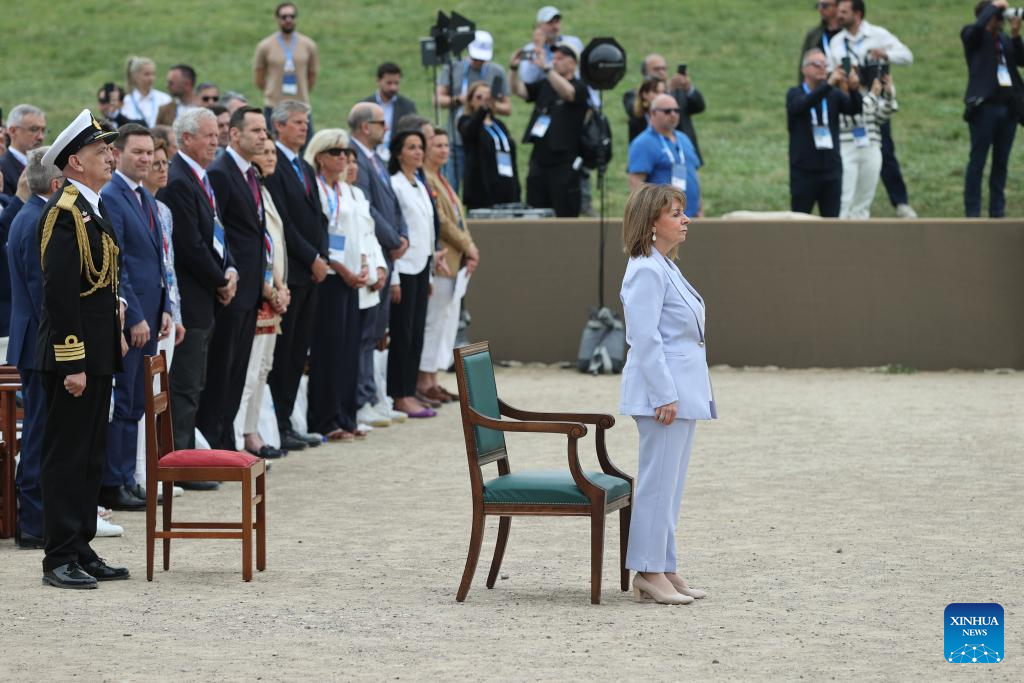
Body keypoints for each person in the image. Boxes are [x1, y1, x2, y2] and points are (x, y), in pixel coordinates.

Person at [37, 109, 129, 588]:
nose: (110, 156)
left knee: (91, 455)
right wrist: (72, 360)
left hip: (97, 353)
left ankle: (81, 546)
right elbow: (60, 293)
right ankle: (58, 557)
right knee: (67, 456)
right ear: (75, 161)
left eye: (109, 149)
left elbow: (101, 285)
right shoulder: (66, 213)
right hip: (72, 357)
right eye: (100, 150)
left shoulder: (92, 207)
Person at [619, 183, 716, 605]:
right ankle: (647, 570)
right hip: (662, 395)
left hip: (681, 391)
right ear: (651, 223)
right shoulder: (646, 269)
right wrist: (663, 395)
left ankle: (664, 564)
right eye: (675, 213)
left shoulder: (665, 266)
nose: (685, 219)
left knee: (670, 485)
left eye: (683, 212)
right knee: (657, 484)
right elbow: (644, 338)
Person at [157, 108, 237, 485]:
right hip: (191, 299)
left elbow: (218, 232)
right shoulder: (178, 180)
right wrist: (220, 279)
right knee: (185, 386)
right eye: (208, 135)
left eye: (217, 134)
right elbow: (189, 245)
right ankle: (183, 467)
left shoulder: (200, 177)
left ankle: (190, 458)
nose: (216, 141)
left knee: (195, 384)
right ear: (186, 138)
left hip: (207, 297)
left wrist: (230, 270)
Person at [100, 124, 171, 510]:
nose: (145, 159)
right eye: (137, 152)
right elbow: (119, 262)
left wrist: (165, 308)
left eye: (149, 153)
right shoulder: (113, 196)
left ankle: (127, 477)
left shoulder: (142, 196)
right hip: (132, 319)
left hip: (151, 314)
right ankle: (114, 481)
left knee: (137, 401)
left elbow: (156, 259)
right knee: (125, 400)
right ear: (117, 154)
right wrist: (136, 317)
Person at [200, 107, 269, 451]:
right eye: (256, 130)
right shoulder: (220, 172)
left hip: (251, 290)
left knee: (238, 371)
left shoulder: (250, 173)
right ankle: (214, 443)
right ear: (236, 134)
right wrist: (225, 276)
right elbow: (218, 231)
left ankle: (227, 440)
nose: (263, 137)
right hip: (230, 289)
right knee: (221, 371)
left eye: (265, 131)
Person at [264, 100, 329, 451]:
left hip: (312, 272)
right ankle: (276, 425)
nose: (305, 128)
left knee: (298, 352)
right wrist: (312, 258)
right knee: (283, 353)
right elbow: (283, 222)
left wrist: (323, 256)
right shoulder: (273, 163)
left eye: (306, 122)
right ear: (279, 126)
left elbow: (318, 217)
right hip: (291, 271)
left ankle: (287, 421)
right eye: (298, 122)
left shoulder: (304, 165)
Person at [6, 147, 61, 549]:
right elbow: (43, 290)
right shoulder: (38, 220)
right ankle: (33, 521)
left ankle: (38, 517)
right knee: (40, 431)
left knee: (43, 429)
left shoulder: (31, 214)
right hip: (38, 342)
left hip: (34, 340)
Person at [305, 129, 370, 441]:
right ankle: (326, 417)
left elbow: (359, 232)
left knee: (348, 348)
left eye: (345, 152)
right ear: (320, 157)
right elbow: (321, 235)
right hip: (330, 276)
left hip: (351, 276)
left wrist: (364, 264)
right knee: (328, 349)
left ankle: (346, 413)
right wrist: (342, 268)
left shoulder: (345, 190)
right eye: (336, 152)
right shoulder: (316, 189)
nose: (343, 157)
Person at [348, 102, 409, 427]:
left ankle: (372, 395)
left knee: (376, 331)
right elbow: (368, 208)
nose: (386, 128)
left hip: (386, 252)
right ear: (364, 126)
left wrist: (402, 235)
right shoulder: (355, 158)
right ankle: (362, 398)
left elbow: (392, 203)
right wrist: (393, 238)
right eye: (381, 123)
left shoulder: (376, 158)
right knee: (366, 331)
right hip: (373, 252)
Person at [828, 0, 917, 218]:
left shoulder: (878, 35)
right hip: (848, 103)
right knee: (848, 169)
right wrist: (844, 77)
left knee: (884, 153)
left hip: (875, 102)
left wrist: (885, 55)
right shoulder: (836, 42)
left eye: (843, 12)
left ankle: (900, 202)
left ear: (857, 13)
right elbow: (831, 71)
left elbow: (907, 56)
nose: (838, 15)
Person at [137, 138, 187, 488]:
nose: (161, 169)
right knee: (144, 397)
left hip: (166, 310)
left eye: (164, 162)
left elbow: (168, 267)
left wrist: (174, 311)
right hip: (147, 312)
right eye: (155, 163)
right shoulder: (138, 206)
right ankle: (142, 470)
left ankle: (156, 465)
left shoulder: (163, 210)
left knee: (159, 396)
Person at [235, 137, 290, 458]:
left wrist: (282, 286)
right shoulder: (250, 192)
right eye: (264, 152)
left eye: (272, 152)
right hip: (258, 291)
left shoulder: (265, 191)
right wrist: (271, 288)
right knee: (249, 369)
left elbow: (274, 245)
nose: (270, 157)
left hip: (273, 288)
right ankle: (239, 435)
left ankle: (251, 430)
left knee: (263, 368)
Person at [420, 127, 478, 403]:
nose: (444, 150)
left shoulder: (442, 178)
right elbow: (442, 221)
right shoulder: (427, 179)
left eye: (446, 145)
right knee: (434, 322)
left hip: (455, 260)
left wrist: (468, 246)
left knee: (445, 322)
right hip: (442, 258)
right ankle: (424, 379)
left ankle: (433, 376)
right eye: (437, 145)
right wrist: (467, 245)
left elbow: (457, 218)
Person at [388, 130, 438, 419]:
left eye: (420, 147)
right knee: (402, 333)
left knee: (417, 332)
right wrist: (394, 276)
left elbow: (428, 229)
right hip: (404, 267)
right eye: (411, 147)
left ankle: (411, 389)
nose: (418, 152)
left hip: (422, 266)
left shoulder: (419, 183)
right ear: (399, 153)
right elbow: (398, 231)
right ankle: (400, 393)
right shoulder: (394, 184)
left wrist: (429, 274)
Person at [510, 42, 589, 217]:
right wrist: (514, 68)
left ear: (573, 63)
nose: (555, 61)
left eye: (560, 58)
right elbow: (518, 90)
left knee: (564, 214)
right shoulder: (546, 84)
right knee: (535, 212)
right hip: (539, 160)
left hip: (564, 163)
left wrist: (546, 69)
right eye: (554, 58)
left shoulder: (580, 87)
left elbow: (569, 93)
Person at [962, 0, 1024, 217]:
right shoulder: (973, 35)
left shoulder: (1004, 39)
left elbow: (1021, 60)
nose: (1001, 18)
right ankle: (972, 212)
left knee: (1001, 163)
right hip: (984, 108)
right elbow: (976, 29)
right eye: (998, 14)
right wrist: (995, 5)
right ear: (987, 15)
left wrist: (1015, 35)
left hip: (1008, 109)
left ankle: (997, 211)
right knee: (977, 162)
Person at [787, 48, 863, 217]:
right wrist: (828, 84)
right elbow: (801, 105)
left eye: (825, 64)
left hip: (831, 170)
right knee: (799, 220)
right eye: (817, 64)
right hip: (804, 171)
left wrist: (854, 89)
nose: (823, 68)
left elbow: (854, 109)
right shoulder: (794, 94)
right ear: (804, 69)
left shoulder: (833, 94)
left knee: (831, 223)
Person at [436, 30, 511, 192]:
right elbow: (437, 99)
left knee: (481, 189)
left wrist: (488, 105)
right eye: (476, 58)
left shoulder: (496, 71)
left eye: (482, 59)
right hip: (456, 139)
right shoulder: (453, 68)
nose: (478, 62)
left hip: (484, 142)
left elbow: (507, 108)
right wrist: (460, 99)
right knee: (450, 187)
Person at [628, 94, 703, 217]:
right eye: (667, 111)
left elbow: (694, 174)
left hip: (691, 216)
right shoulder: (643, 143)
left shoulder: (684, 139)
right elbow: (636, 183)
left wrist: (700, 208)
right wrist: (644, 218)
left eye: (676, 110)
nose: (673, 114)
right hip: (662, 219)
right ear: (652, 113)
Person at [622, 55, 706, 163]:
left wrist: (688, 87)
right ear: (645, 72)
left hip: (681, 154)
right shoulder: (633, 95)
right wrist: (668, 91)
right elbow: (635, 112)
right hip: (650, 156)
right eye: (656, 69)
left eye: (664, 69)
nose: (661, 72)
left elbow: (699, 107)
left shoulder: (679, 92)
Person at [253, 2, 319, 136]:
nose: (288, 20)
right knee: (271, 143)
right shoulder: (265, 45)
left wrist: (303, 90)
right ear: (277, 19)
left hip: (301, 105)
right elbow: (259, 75)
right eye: (284, 17)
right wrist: (271, 91)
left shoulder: (308, 45)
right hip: (274, 106)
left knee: (306, 144)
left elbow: (312, 74)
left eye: (292, 16)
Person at [839, 71, 897, 218]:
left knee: (864, 200)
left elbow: (882, 116)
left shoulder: (867, 96)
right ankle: (840, 227)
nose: (854, 78)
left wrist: (889, 94)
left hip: (871, 147)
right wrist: (872, 96)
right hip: (846, 148)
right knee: (845, 197)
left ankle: (860, 228)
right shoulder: (836, 96)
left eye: (855, 74)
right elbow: (852, 115)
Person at [458, 81, 521, 209]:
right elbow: (470, 131)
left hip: (505, 182)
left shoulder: (499, 124)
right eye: (479, 97)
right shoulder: (465, 121)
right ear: (470, 101)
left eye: (487, 96)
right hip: (481, 187)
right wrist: (483, 109)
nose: (484, 100)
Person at [361, 63, 417, 161]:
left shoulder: (408, 106)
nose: (393, 88)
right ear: (378, 80)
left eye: (396, 83)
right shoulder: (364, 105)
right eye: (389, 83)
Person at [1, 104, 46, 195]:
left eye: (43, 130)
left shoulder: (46, 164)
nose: (41, 137)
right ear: (13, 131)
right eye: (34, 129)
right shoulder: (2, 168)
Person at [799, 0, 842, 82]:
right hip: (819, 84)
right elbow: (804, 65)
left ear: (837, 6)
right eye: (818, 5)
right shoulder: (813, 35)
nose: (820, 9)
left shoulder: (846, 34)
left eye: (824, 5)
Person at [123, 56, 172, 128]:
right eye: (146, 74)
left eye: (153, 74)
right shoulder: (126, 102)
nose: (151, 78)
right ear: (135, 76)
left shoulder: (164, 99)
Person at [625, 78, 666, 143]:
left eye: (663, 92)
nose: (662, 96)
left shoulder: (671, 115)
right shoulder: (636, 121)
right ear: (645, 94)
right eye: (656, 92)